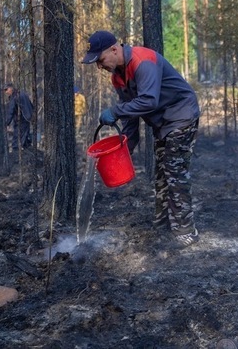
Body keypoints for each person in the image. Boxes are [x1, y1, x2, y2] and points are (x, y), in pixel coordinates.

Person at [82, 30, 201, 247]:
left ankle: (186, 231)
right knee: (162, 174)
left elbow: (148, 101)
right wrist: (124, 147)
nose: (100, 66)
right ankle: (163, 224)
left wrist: (116, 111)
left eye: (100, 60)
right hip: (164, 124)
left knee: (174, 173)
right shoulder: (117, 77)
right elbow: (131, 115)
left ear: (114, 50)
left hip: (181, 115)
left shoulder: (143, 61)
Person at [4, 82, 33, 151]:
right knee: (25, 138)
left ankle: (16, 157)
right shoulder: (23, 93)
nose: (6, 92)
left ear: (11, 88)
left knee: (16, 141)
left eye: (6, 89)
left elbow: (11, 110)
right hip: (28, 118)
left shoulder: (15, 96)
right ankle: (28, 154)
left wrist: (7, 123)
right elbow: (31, 105)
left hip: (21, 120)